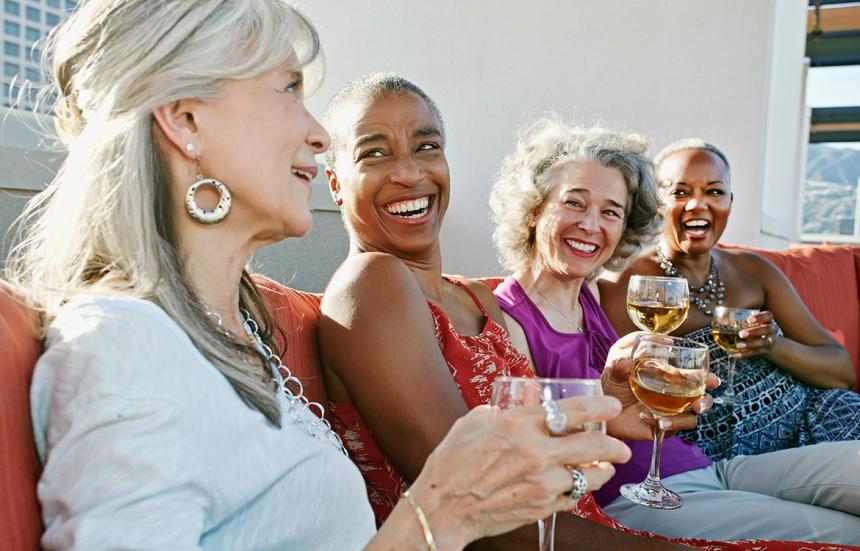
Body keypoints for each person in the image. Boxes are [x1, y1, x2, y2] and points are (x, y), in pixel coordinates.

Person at [7, 2, 632, 549]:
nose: (315, 132)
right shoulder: (124, 345)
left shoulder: (232, 335)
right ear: (185, 119)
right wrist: (443, 513)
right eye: (287, 89)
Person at [318, 73, 711, 550]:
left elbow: (526, 449)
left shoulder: (473, 298)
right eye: (374, 153)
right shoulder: (371, 283)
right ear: (336, 183)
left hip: (586, 529)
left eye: (427, 147)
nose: (409, 172)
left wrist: (604, 409)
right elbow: (482, 503)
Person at [487, 122, 860, 543]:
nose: (593, 225)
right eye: (575, 203)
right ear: (535, 208)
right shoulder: (511, 317)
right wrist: (605, 408)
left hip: (707, 467)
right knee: (843, 534)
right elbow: (523, 449)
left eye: (611, 212)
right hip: (636, 495)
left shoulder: (588, 296)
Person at [599, 139, 860, 461]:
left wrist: (773, 346)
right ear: (656, 204)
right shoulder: (630, 286)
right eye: (680, 193)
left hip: (817, 418)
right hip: (726, 454)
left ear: (730, 202)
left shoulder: (754, 270)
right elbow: (621, 384)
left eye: (714, 191)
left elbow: (841, 372)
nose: (697, 205)